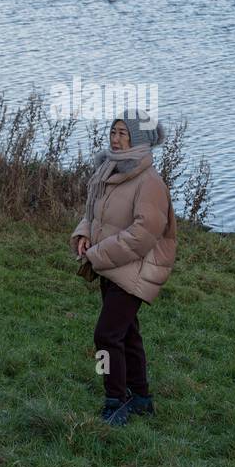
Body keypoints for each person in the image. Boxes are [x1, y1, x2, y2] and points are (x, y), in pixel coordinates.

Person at [70, 112, 177, 425]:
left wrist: (99, 254)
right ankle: (141, 398)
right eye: (113, 131)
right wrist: (85, 233)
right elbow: (95, 213)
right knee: (126, 333)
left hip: (136, 270)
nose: (115, 139)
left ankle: (116, 402)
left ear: (139, 140)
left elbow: (144, 234)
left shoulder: (150, 183)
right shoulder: (109, 169)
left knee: (106, 334)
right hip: (111, 265)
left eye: (123, 134)